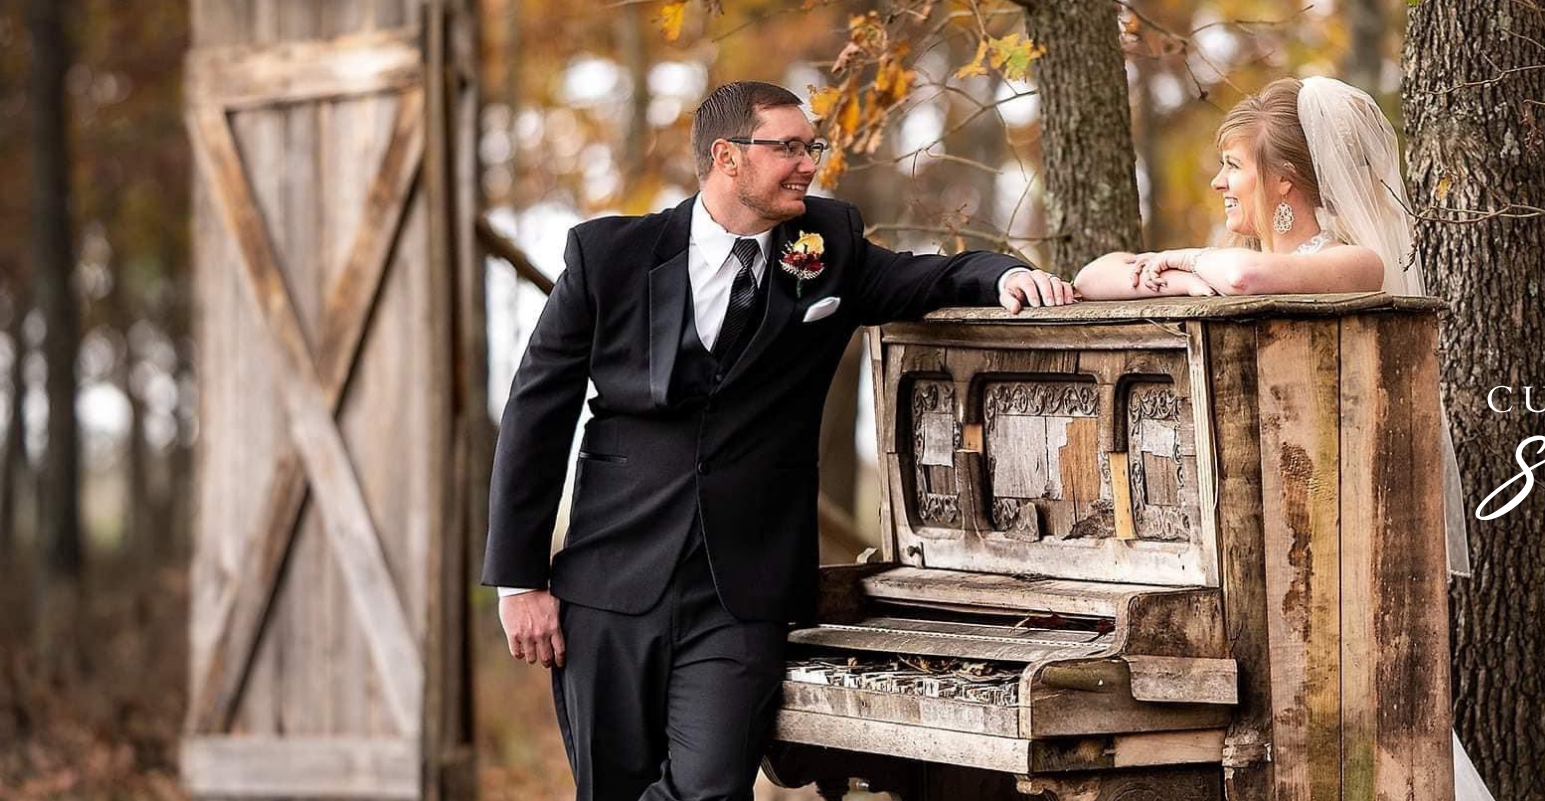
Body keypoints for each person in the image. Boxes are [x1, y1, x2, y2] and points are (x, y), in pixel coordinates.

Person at [481, 80, 1077, 801]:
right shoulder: (608, 255)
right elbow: (536, 414)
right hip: (608, 585)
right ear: (726, 156)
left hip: (742, 595)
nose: (808, 163)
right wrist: (521, 580)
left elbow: (928, 274)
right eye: (788, 147)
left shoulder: (827, 245)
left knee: (710, 789)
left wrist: (1007, 274)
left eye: (811, 146)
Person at [1074, 75, 1491, 801]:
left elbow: (1242, 277)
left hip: (1328, 552)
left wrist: (1182, 266)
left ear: (1286, 182)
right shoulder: (1219, 264)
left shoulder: (1355, 259)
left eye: (1234, 165)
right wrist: (1161, 267)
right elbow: (1092, 275)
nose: (1218, 181)